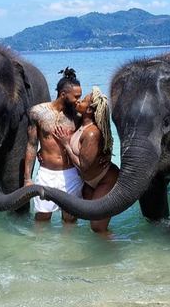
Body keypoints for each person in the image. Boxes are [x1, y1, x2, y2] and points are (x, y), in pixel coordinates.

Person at [53, 86, 118, 234]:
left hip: (104, 179)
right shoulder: (80, 125)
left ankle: (119, 247)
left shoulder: (92, 133)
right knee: (91, 222)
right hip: (89, 182)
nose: (78, 101)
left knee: (98, 227)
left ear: (89, 110)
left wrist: (66, 145)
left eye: (83, 101)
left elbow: (83, 166)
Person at [23, 67, 84, 223]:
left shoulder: (78, 116)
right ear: (63, 95)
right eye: (76, 97)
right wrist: (27, 178)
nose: (79, 100)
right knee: (42, 218)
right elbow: (31, 145)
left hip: (71, 174)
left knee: (70, 219)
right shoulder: (38, 112)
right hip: (46, 174)